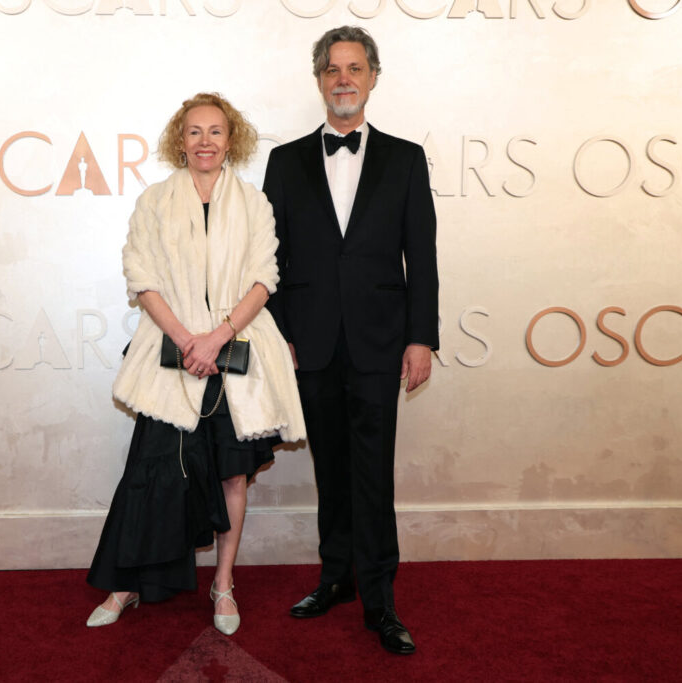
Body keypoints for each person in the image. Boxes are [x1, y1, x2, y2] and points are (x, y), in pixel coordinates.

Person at [86, 93, 306, 636]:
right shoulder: (154, 201)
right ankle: (128, 582)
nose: (204, 141)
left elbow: (265, 277)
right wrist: (189, 340)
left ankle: (223, 584)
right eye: (193, 132)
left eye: (215, 131)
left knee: (233, 474)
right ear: (178, 141)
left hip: (238, 355)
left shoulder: (254, 204)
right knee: (153, 471)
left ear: (232, 140)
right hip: (170, 353)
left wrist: (218, 337)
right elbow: (141, 275)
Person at [262, 26, 438, 655]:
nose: (343, 78)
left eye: (355, 68)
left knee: (373, 473)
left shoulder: (406, 158)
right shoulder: (284, 162)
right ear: (319, 80)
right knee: (331, 470)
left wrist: (421, 338)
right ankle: (334, 577)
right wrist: (278, 333)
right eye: (332, 68)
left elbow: (422, 254)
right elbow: (268, 260)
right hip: (308, 343)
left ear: (372, 77)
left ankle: (381, 598)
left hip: (380, 341)